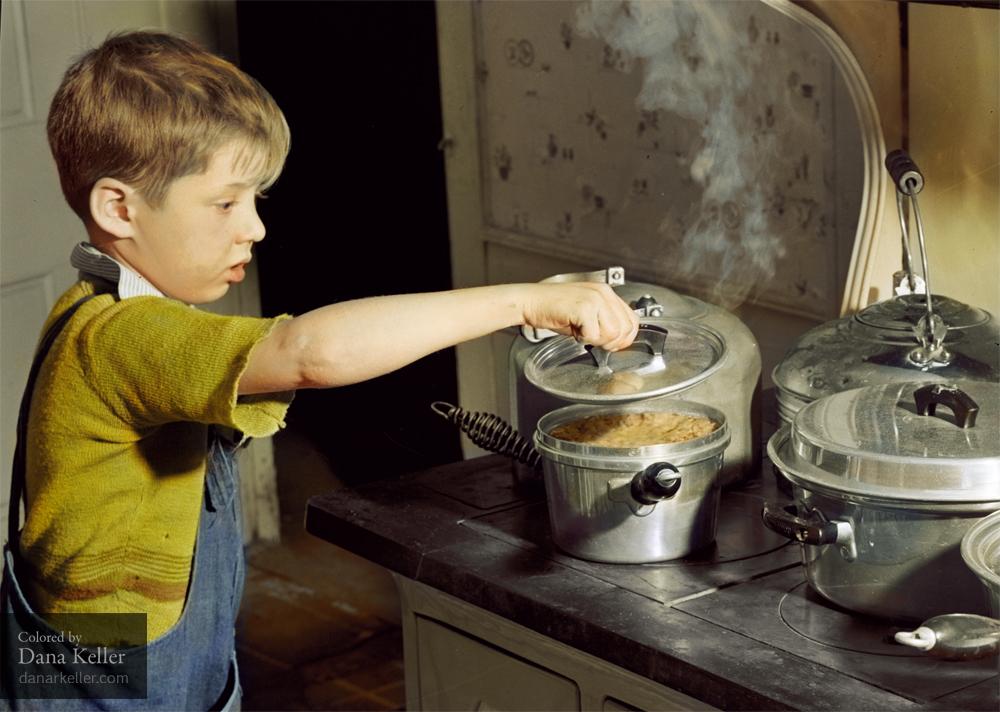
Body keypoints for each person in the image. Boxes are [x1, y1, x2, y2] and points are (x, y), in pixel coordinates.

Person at [0, 31, 638, 710]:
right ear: (118, 208)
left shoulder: (97, 303)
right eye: (225, 204)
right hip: (109, 677)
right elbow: (311, 353)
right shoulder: (128, 337)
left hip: (108, 647)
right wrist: (521, 299)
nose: (255, 228)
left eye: (257, 202)